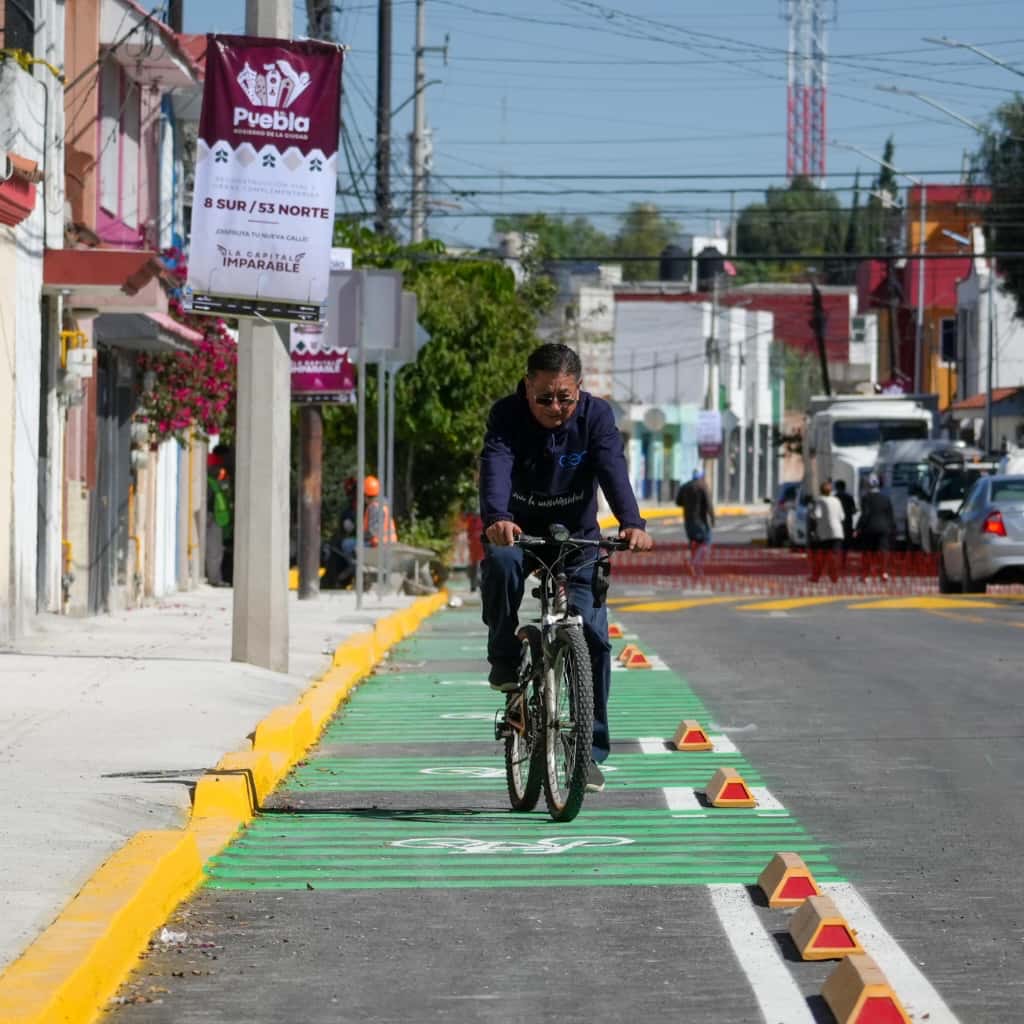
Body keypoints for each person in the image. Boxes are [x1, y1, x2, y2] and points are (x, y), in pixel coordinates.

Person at [479, 342, 653, 794]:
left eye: (565, 398)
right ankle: (503, 655)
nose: (555, 408)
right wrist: (497, 517)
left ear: (580, 390)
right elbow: (495, 465)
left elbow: (612, 468)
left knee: (592, 636)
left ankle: (589, 753)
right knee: (499, 564)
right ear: (526, 387)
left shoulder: (596, 417)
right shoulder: (506, 417)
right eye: (544, 398)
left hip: (576, 536)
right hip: (516, 531)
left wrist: (631, 523)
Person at [675, 468, 715, 577]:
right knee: (706, 541)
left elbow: (678, 502)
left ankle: (695, 567)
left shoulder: (685, 487)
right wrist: (712, 519)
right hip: (700, 521)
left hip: (688, 521)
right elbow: (709, 505)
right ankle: (694, 563)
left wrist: (688, 503)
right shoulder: (703, 487)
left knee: (694, 543)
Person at [857, 474, 896, 582]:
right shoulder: (885, 498)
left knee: (868, 552)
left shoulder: (866, 498)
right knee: (883, 551)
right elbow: (890, 515)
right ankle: (884, 573)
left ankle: (865, 574)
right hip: (884, 528)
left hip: (869, 528)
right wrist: (892, 528)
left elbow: (865, 514)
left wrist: (858, 528)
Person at [808, 481, 844, 583]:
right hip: (838, 532)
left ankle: (816, 576)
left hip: (825, 532)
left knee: (822, 556)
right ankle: (834, 576)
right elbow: (842, 516)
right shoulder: (837, 500)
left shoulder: (820, 500)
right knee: (835, 555)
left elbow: (816, 515)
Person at [833, 479, 857, 567]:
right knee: (846, 543)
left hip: (837, 522)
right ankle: (843, 561)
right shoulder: (849, 497)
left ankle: (836, 560)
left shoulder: (834, 497)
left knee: (837, 542)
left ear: (837, 487)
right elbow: (854, 510)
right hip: (847, 523)